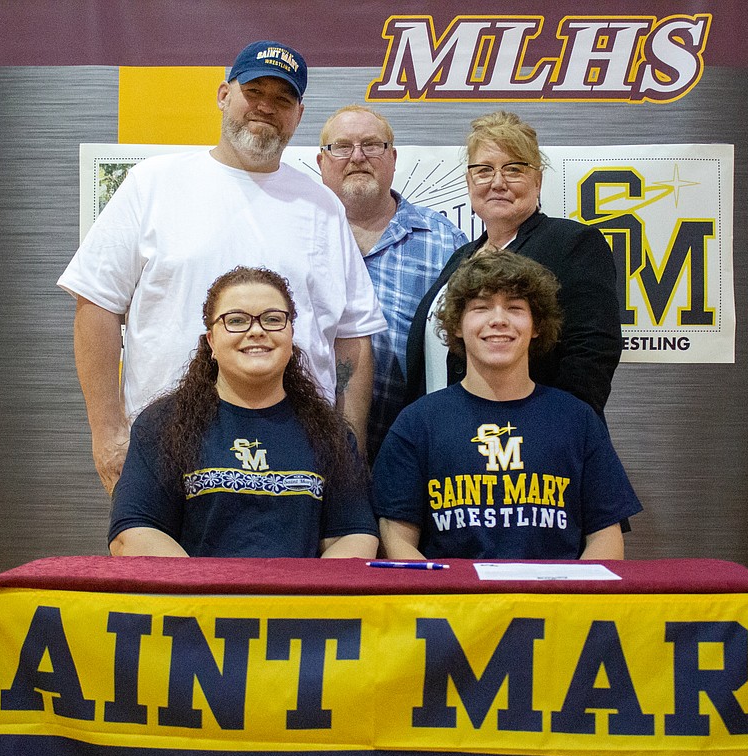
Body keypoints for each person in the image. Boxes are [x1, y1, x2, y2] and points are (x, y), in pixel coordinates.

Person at [59, 41, 385, 494]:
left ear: (298, 114)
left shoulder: (322, 206)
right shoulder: (154, 184)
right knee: (157, 565)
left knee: (293, 568)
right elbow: (96, 303)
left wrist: (348, 442)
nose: (266, 108)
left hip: (298, 453)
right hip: (168, 443)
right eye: (255, 92)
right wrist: (108, 433)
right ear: (223, 95)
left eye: (282, 99)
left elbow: (352, 334)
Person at [375, 250, 641, 561]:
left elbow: (605, 539)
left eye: (515, 308)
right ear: (457, 325)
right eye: (481, 308)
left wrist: (573, 603)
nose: (498, 320)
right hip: (453, 605)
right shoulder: (417, 423)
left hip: (557, 605)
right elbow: (395, 540)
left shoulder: (577, 420)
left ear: (537, 325)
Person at [109, 267, 379, 559]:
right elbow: (134, 534)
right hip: (195, 603)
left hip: (301, 603)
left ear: (291, 334)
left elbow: (354, 537)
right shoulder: (161, 425)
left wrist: (303, 600)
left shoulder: (330, 433)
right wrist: (213, 596)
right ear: (211, 340)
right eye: (236, 320)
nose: (256, 331)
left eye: (273, 319)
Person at [404, 111, 622, 418]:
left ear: (538, 179)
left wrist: (556, 432)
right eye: (483, 170)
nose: (497, 182)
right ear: (469, 181)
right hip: (447, 439)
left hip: (528, 443)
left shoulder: (572, 243)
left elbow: (591, 355)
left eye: (513, 169)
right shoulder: (461, 257)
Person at [317, 106, 468, 459]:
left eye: (372, 145)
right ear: (321, 161)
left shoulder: (445, 242)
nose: (357, 157)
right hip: (304, 446)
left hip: (415, 447)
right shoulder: (295, 233)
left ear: (393, 157)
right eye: (342, 146)